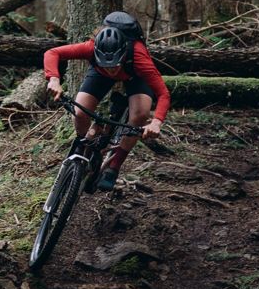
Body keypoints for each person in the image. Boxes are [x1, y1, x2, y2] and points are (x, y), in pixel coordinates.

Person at [42, 11, 170, 191]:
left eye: (115, 66)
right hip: (98, 74)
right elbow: (52, 53)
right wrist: (54, 79)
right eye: (107, 66)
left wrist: (156, 122)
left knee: (139, 116)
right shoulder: (89, 48)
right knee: (80, 112)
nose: (112, 71)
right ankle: (85, 147)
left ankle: (113, 167)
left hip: (134, 75)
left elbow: (163, 94)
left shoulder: (139, 57)